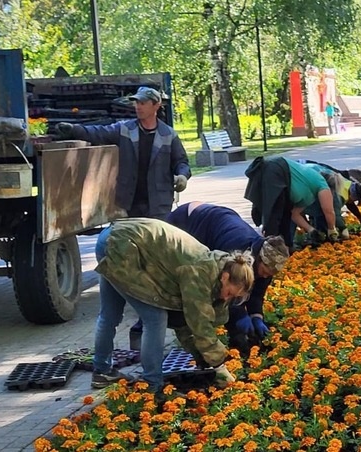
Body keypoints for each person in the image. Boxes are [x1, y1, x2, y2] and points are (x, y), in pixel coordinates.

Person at [91, 218, 254, 393]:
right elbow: (199, 323)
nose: (226, 298)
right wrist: (218, 364)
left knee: (110, 314)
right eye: (229, 292)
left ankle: (102, 371)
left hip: (114, 236)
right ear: (225, 277)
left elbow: (183, 323)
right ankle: (153, 385)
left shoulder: (217, 266)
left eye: (232, 297)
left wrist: (200, 356)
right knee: (155, 318)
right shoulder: (200, 273)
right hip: (123, 245)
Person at [128, 202, 290, 350]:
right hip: (189, 222)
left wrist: (256, 316)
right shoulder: (236, 253)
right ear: (259, 259)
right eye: (265, 271)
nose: (266, 276)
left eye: (270, 274)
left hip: (218, 219)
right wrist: (239, 317)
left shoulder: (266, 265)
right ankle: (140, 331)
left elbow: (256, 293)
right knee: (165, 286)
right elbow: (222, 290)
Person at [57, 87, 190, 219]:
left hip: (159, 203)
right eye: (136, 103)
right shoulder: (125, 129)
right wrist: (74, 129)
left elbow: (181, 162)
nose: (138, 107)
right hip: (131, 203)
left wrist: (182, 176)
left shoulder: (168, 134)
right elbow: (99, 133)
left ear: (156, 105)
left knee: (158, 233)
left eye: (142, 103)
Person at [244, 156, 339, 249]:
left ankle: (285, 246)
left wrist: (311, 230)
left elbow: (294, 214)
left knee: (285, 213)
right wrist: (332, 229)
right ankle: (271, 248)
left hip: (278, 173)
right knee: (275, 212)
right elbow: (328, 211)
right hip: (278, 169)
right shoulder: (322, 183)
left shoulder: (308, 192)